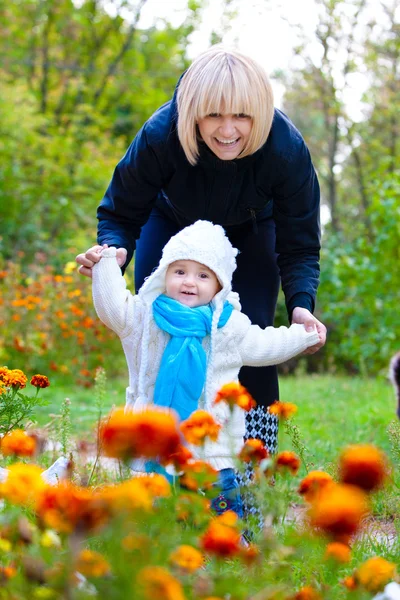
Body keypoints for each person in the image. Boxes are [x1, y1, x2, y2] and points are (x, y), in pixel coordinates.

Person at [76, 45, 327, 467]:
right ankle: (159, 455)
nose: (228, 130)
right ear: (192, 112)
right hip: (173, 225)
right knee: (158, 329)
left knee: (248, 336)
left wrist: (301, 306)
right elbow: (120, 211)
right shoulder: (160, 136)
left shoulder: (285, 150)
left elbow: (299, 242)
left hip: (250, 232)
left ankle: (251, 471)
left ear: (260, 113)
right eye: (214, 115)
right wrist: (115, 251)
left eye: (242, 116)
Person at [87, 220, 321, 518]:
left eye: (202, 275)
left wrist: (305, 335)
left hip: (213, 450)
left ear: (219, 285)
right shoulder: (143, 319)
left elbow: (266, 344)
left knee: (221, 519)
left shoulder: (227, 328)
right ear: (164, 274)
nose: (189, 282)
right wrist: (106, 262)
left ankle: (227, 547)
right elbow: (111, 306)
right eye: (179, 271)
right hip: (155, 445)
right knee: (154, 519)